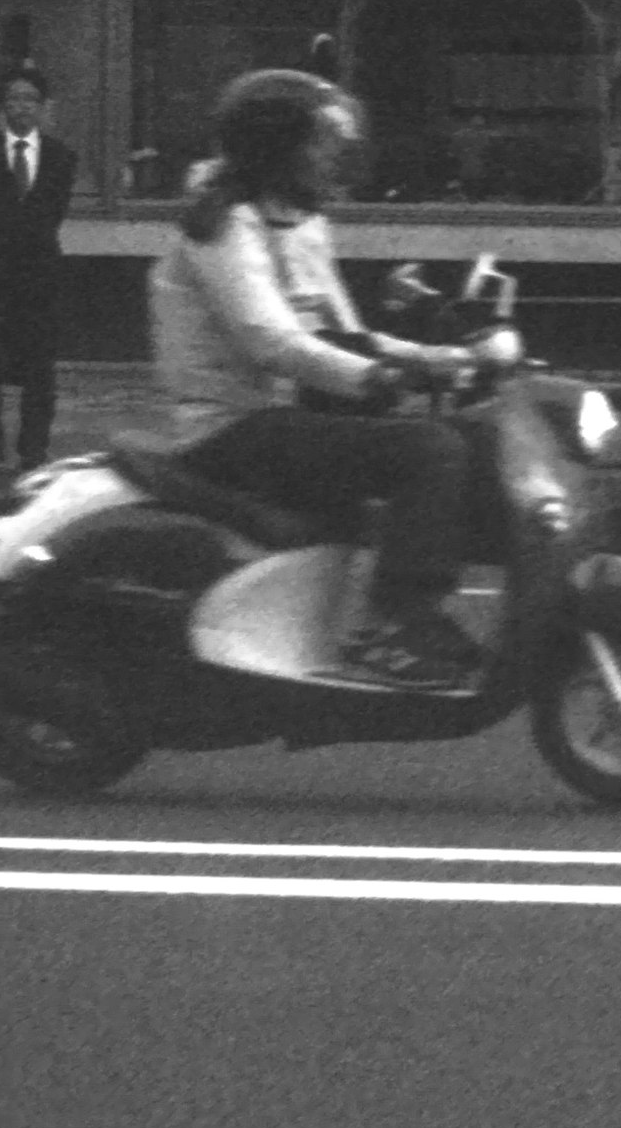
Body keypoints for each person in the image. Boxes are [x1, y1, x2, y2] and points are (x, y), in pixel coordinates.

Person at [142, 69, 485, 688]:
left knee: (467, 437)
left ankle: (405, 609)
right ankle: (390, 628)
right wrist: (375, 378)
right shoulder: (222, 223)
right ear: (276, 147)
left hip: (287, 412)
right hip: (230, 426)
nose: (332, 158)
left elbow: (340, 334)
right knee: (428, 451)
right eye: (319, 144)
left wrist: (437, 360)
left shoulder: (297, 221)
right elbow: (270, 339)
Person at [0, 63, 76, 474]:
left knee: (40, 366)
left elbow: (51, 214)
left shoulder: (61, 157)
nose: (21, 108)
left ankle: (34, 450)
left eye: (29, 100)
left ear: (43, 107)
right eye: (13, 100)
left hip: (39, 276)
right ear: (1, 107)